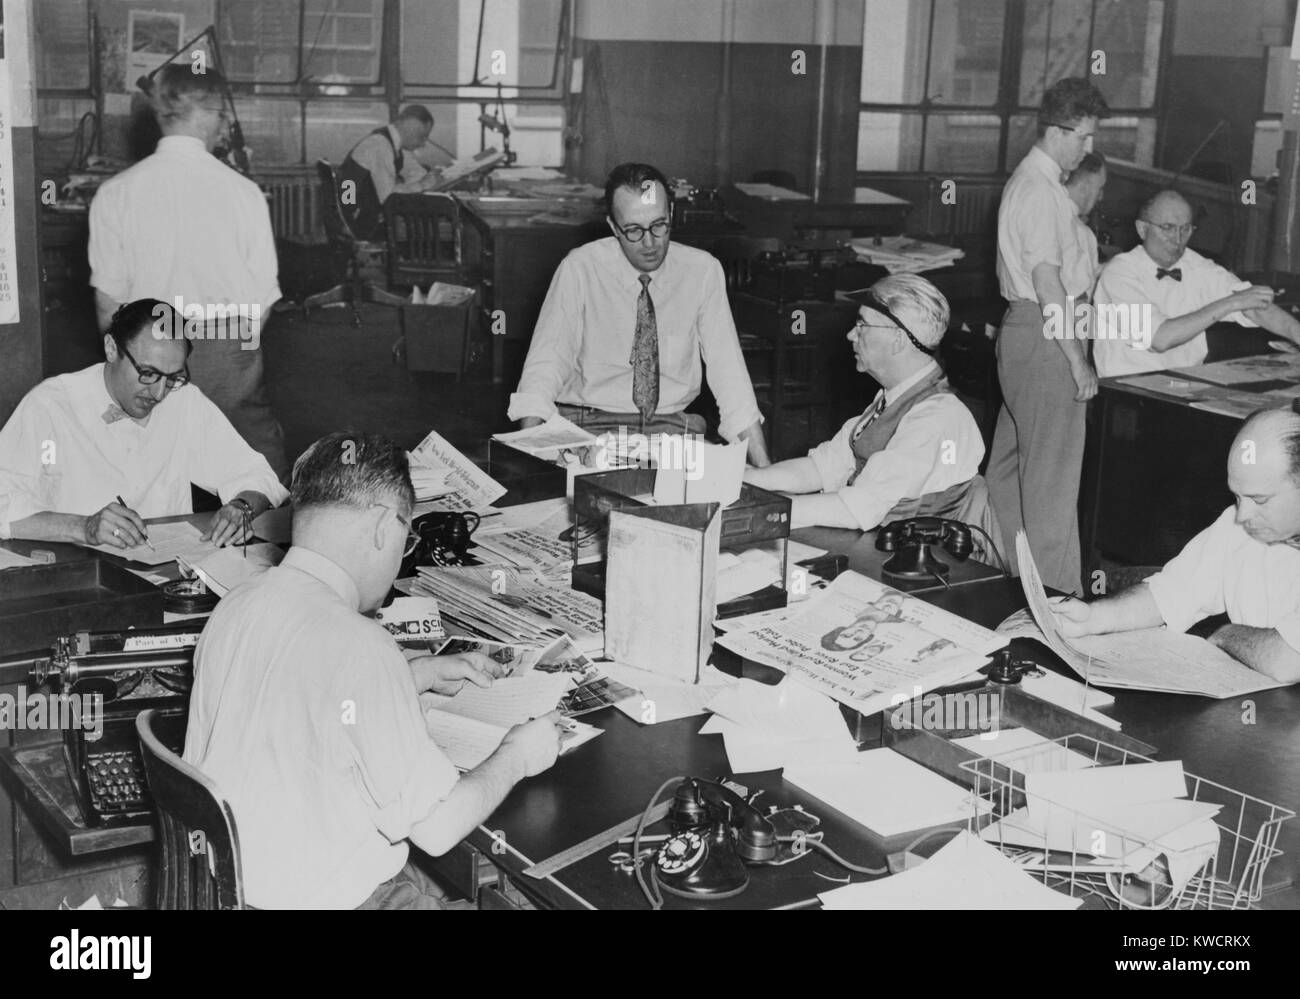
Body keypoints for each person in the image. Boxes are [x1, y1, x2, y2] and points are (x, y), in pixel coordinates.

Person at [183, 431, 564, 908]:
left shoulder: (238, 604)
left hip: (226, 889)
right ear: (385, 526)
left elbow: (298, 695)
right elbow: (438, 828)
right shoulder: (362, 645)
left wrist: (414, 675)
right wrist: (518, 755)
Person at [88, 63, 288, 480]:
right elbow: (264, 298)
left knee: (145, 480)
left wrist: (136, 363)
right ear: (208, 112)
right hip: (228, 352)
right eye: (221, 116)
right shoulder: (243, 193)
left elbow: (108, 307)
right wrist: (233, 349)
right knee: (259, 482)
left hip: (146, 352)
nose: (224, 126)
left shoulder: (115, 193)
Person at [508, 162, 770, 466]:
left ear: (671, 213)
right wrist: (530, 457)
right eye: (633, 230)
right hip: (589, 430)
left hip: (673, 432)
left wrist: (765, 471)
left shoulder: (703, 271)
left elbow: (731, 378)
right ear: (613, 227)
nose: (650, 243)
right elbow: (544, 367)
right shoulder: (580, 268)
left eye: (659, 225)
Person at [0, 300, 286, 548]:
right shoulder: (51, 405)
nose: (159, 393)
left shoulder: (183, 401)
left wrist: (242, 506)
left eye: (173, 377)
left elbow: (256, 475)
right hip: (79, 575)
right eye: (148, 373)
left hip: (166, 575)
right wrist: (84, 527)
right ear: (112, 349)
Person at [1052, 405, 1300, 684]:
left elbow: (1287, 661)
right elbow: (1171, 593)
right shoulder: (1241, 525)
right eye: (1238, 497)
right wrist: (1094, 618)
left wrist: (1225, 634)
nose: (1243, 514)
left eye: (1260, 499)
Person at [743, 275, 992, 541]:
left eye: (862, 325)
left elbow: (856, 509)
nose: (851, 334)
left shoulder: (936, 419)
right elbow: (823, 467)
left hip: (928, 569)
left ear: (898, 339)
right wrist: (748, 481)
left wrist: (768, 511)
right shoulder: (896, 398)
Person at [985, 77, 1110, 594]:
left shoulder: (1034, 184)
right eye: (1084, 136)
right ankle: (1060, 606)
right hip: (1047, 334)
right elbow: (1047, 282)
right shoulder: (1040, 192)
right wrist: (1077, 360)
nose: (1090, 148)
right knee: (1053, 481)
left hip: (1024, 333)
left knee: (1009, 470)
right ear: (1058, 130)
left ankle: (1021, 585)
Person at [1092, 189, 1300, 377]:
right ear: (1142, 229)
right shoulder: (1119, 274)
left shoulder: (1197, 266)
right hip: (1128, 390)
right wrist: (1232, 303)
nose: (1177, 238)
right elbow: (1160, 339)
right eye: (1167, 228)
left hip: (1184, 382)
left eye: (1186, 229)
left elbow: (1254, 307)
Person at [338, 105, 450, 240]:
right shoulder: (380, 145)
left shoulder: (391, 142)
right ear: (411, 128)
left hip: (360, 213)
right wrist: (422, 185)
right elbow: (388, 197)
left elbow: (413, 171)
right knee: (425, 231)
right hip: (358, 220)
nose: (423, 143)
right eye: (422, 136)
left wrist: (431, 178)